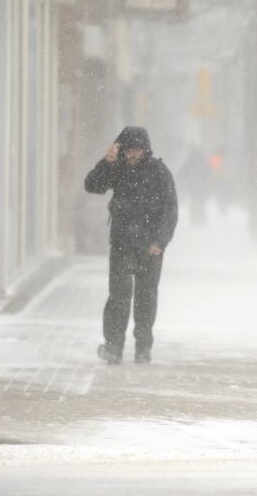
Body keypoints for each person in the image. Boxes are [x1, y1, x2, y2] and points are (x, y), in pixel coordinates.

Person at [84, 127, 178, 364]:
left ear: (146, 150)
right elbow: (92, 185)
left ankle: (143, 348)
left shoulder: (159, 172)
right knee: (119, 297)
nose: (133, 155)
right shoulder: (116, 168)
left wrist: (160, 242)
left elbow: (170, 210)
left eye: (137, 150)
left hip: (150, 248)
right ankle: (114, 346)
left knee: (146, 298)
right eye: (128, 150)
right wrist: (107, 161)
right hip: (122, 245)